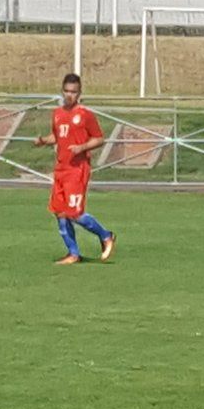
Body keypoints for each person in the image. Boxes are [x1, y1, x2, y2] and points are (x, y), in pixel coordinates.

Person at [33, 73, 116, 265]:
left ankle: (106, 235)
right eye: (67, 91)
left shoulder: (85, 115)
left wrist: (82, 147)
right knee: (60, 212)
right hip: (61, 168)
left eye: (74, 92)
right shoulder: (57, 114)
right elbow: (57, 136)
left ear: (79, 93)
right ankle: (73, 253)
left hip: (77, 169)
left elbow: (99, 138)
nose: (69, 95)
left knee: (75, 213)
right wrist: (43, 141)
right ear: (62, 91)